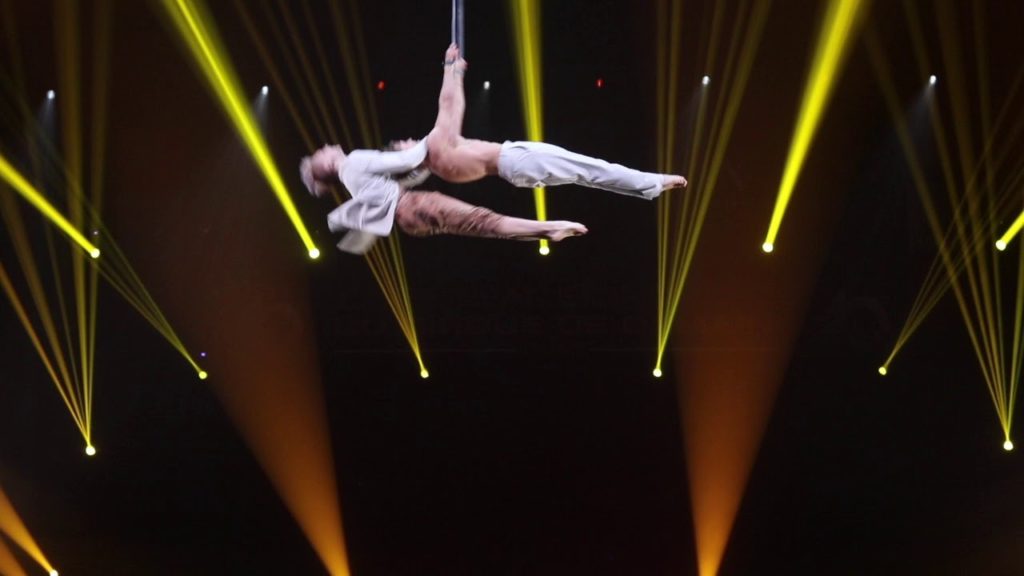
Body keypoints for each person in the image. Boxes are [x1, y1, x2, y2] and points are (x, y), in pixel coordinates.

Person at [300, 44, 686, 253]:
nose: (325, 146)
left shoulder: (415, 163)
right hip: (512, 161)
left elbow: (440, 123)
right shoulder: (361, 160)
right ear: (325, 166)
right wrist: (451, 71)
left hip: (417, 213)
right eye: (318, 154)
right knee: (588, 169)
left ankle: (545, 229)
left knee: (486, 222)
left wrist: (453, 70)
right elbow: (425, 139)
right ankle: (647, 184)